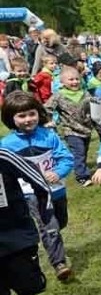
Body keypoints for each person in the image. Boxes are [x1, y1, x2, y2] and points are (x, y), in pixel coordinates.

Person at [1, 92, 74, 281]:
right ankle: (59, 263)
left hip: (57, 189)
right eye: (21, 116)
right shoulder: (7, 145)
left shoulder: (49, 136)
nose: (28, 120)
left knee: (60, 222)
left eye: (31, 114)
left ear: (38, 113)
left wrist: (58, 172)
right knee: (49, 225)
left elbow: (66, 158)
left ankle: (53, 237)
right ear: (11, 118)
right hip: (31, 193)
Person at [0, 149, 53, 295]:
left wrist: (45, 212)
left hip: (16, 237)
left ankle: (31, 277)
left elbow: (37, 179)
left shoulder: (4, 157)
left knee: (29, 287)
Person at [44, 66, 97, 187]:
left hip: (86, 128)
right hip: (70, 130)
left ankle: (79, 167)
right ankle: (82, 176)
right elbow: (46, 108)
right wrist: (48, 121)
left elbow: (95, 105)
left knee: (83, 151)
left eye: (77, 79)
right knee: (78, 152)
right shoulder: (59, 95)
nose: (75, 82)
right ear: (62, 82)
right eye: (71, 80)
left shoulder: (85, 93)